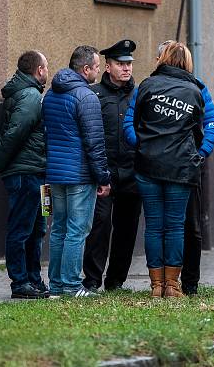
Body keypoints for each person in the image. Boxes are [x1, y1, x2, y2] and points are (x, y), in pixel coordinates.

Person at [122, 40, 214, 296]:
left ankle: (156, 286)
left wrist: (141, 146)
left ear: (161, 59)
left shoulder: (146, 86)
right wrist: (200, 154)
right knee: (175, 226)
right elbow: (210, 124)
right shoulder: (196, 91)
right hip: (181, 168)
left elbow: (128, 124)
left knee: (154, 225)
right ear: (187, 61)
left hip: (147, 166)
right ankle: (172, 286)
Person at [42, 45, 111, 297]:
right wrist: (102, 177)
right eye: (96, 66)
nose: (98, 70)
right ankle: (71, 285)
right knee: (77, 229)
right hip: (79, 175)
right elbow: (95, 142)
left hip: (54, 174)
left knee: (58, 227)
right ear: (85, 69)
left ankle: (56, 286)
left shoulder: (51, 94)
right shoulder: (87, 97)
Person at [0, 51, 49, 299]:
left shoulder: (26, 93)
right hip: (27, 173)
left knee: (38, 228)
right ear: (39, 70)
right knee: (22, 229)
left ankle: (33, 280)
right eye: (46, 66)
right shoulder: (31, 96)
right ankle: (20, 282)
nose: (47, 70)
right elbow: (15, 132)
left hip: (36, 172)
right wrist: (0, 163)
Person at [82, 40, 141, 292]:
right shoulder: (94, 94)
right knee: (99, 226)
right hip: (104, 174)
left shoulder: (139, 95)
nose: (126, 69)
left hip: (131, 172)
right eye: (120, 64)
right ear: (108, 67)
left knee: (126, 230)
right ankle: (92, 279)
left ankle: (116, 280)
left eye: (129, 64)